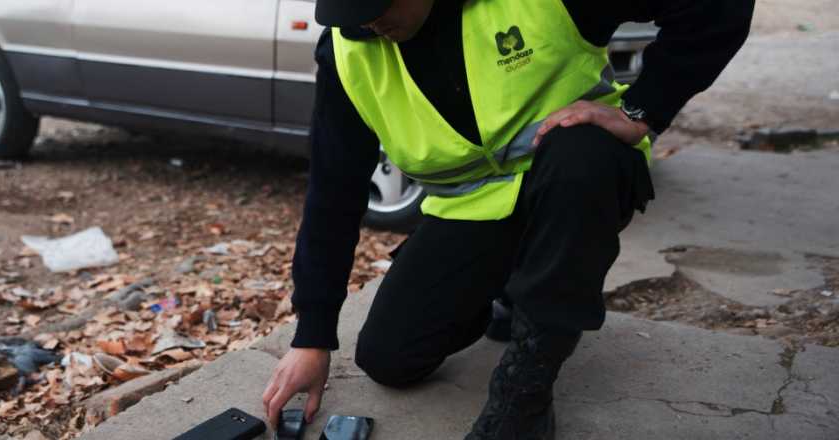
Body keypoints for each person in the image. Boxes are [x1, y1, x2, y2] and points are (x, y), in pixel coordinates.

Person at [262, 0, 753, 438]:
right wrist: (313, 337)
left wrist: (640, 109)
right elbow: (333, 192)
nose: (368, 21)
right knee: (388, 358)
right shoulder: (348, 52)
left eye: (378, 4)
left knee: (582, 158)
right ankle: (508, 286)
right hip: (476, 212)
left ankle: (527, 388)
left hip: (575, 183)